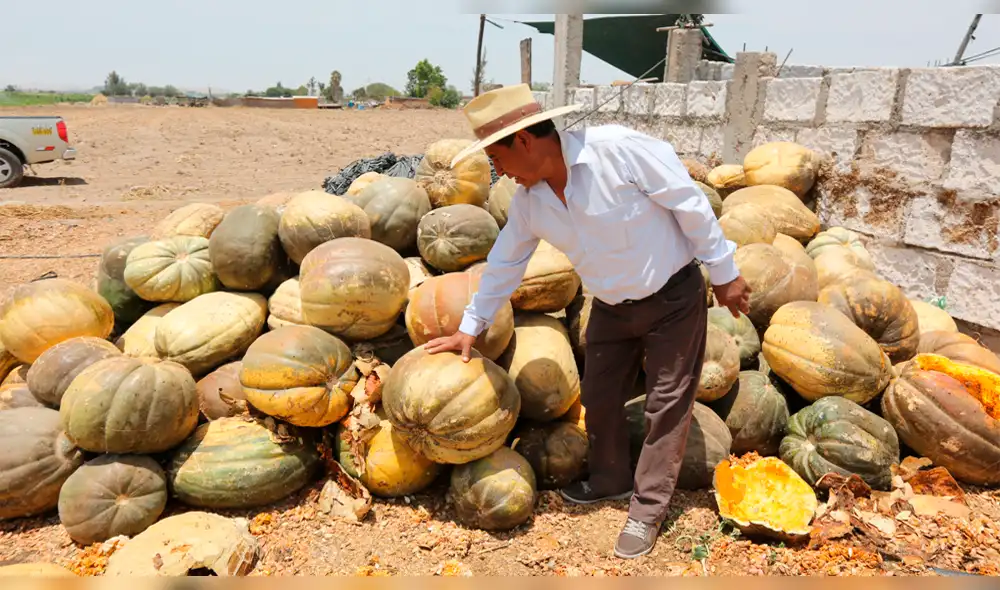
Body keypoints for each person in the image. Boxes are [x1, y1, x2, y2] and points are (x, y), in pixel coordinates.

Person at [423, 83, 751, 559]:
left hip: (673, 298)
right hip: (612, 308)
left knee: (666, 406)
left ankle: (647, 509)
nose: (499, 171)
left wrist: (725, 273)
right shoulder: (531, 203)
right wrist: (470, 327)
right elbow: (504, 265)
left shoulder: (618, 152)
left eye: (498, 156)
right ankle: (610, 481)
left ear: (525, 141)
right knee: (597, 396)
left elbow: (689, 202)